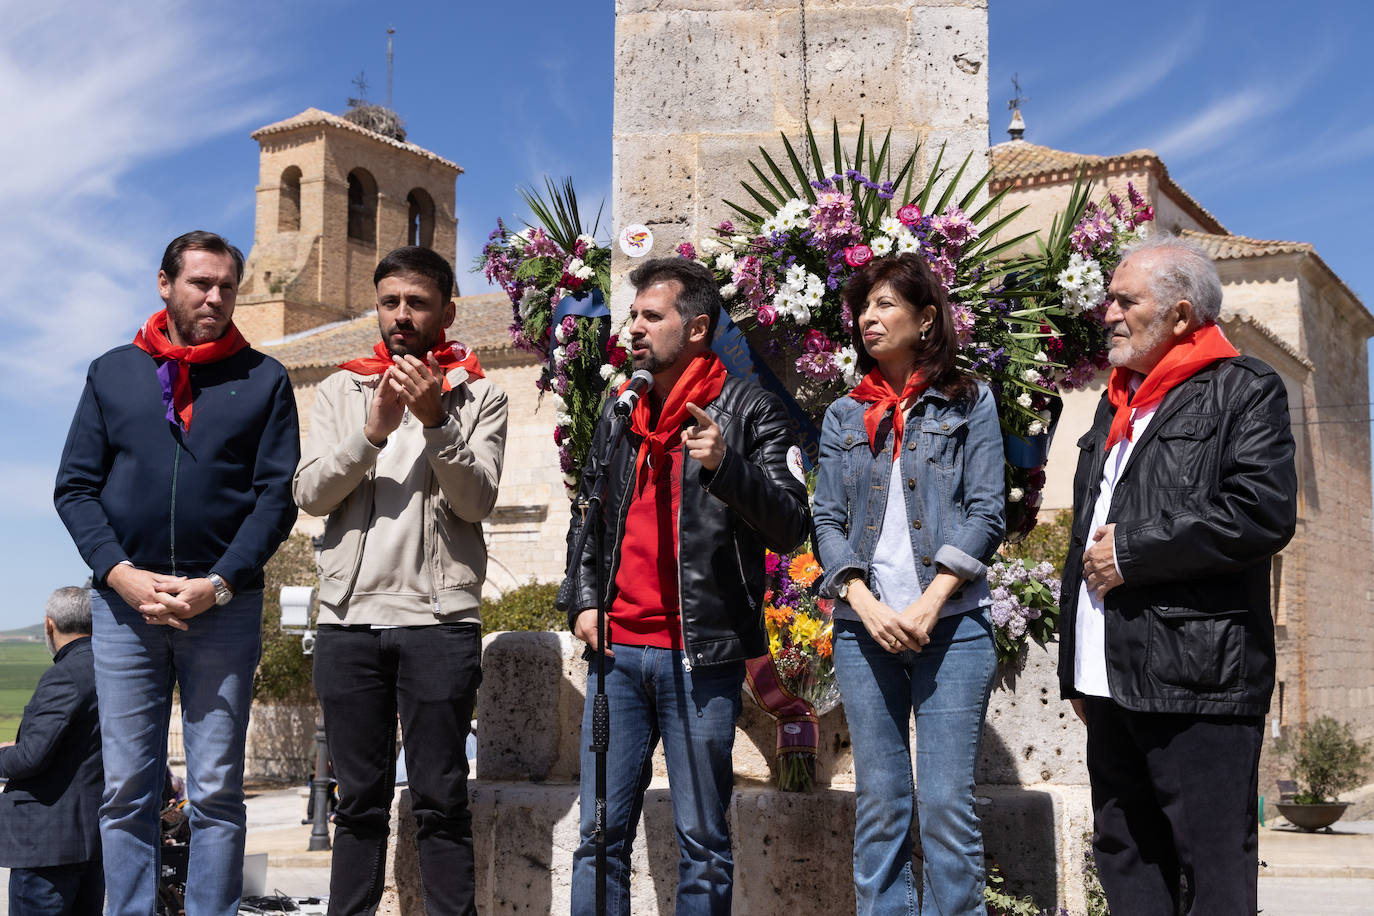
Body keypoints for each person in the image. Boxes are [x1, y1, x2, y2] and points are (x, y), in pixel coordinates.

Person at [54, 230, 300, 916]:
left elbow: (276, 498)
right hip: (124, 608)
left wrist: (216, 584)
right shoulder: (111, 372)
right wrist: (119, 574)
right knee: (128, 786)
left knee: (218, 790)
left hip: (223, 607)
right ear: (164, 285)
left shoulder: (265, 379)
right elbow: (74, 488)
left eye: (227, 286)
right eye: (200, 283)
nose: (215, 297)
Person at [557, 256, 810, 914]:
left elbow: (789, 524)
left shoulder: (751, 411)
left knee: (702, 841)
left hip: (701, 660)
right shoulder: (621, 413)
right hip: (614, 660)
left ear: (697, 328)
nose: (634, 327)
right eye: (631, 315)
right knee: (598, 836)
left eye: (651, 316)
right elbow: (588, 518)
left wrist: (727, 465)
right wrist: (584, 601)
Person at [1058, 234, 1297, 916]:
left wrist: (1133, 552)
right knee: (1127, 859)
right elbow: (1084, 536)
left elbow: (1261, 513)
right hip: (1108, 680)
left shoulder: (1244, 390)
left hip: (1199, 680)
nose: (1106, 312)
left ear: (1181, 315)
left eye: (1123, 299)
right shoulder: (1116, 404)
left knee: (1212, 870)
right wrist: (1075, 669)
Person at [294, 245, 508, 916]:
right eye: (390, 302)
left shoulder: (482, 394)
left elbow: (477, 501)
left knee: (442, 800)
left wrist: (436, 421)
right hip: (348, 625)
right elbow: (310, 493)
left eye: (417, 302)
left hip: (439, 626)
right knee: (355, 804)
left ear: (447, 310)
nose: (401, 316)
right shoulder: (339, 390)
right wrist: (373, 432)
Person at [812, 252, 1005, 915]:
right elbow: (826, 520)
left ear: (926, 319)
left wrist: (929, 603)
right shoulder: (844, 414)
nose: (869, 316)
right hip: (863, 631)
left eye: (886, 304)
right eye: (864, 306)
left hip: (951, 626)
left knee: (949, 805)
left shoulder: (971, 400)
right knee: (881, 803)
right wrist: (862, 602)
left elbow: (987, 511)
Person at [0, 587, 103, 916]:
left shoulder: (65, 675)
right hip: (92, 842)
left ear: (49, 625)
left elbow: (31, 757)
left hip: (47, 845)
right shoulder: (114, 670)